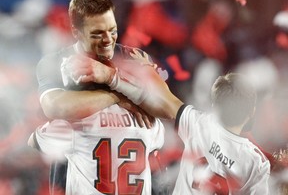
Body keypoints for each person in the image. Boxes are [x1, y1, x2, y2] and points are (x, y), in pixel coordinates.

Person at [31, 0, 165, 195]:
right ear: (75, 32)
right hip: (76, 171)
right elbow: (55, 107)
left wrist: (111, 83)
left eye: (112, 30)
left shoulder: (135, 58)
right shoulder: (54, 63)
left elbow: (164, 105)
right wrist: (118, 95)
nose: (108, 39)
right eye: (97, 33)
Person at [77, 56, 271, 194]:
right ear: (251, 110)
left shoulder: (200, 124)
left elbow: (164, 99)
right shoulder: (256, 163)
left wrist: (143, 72)